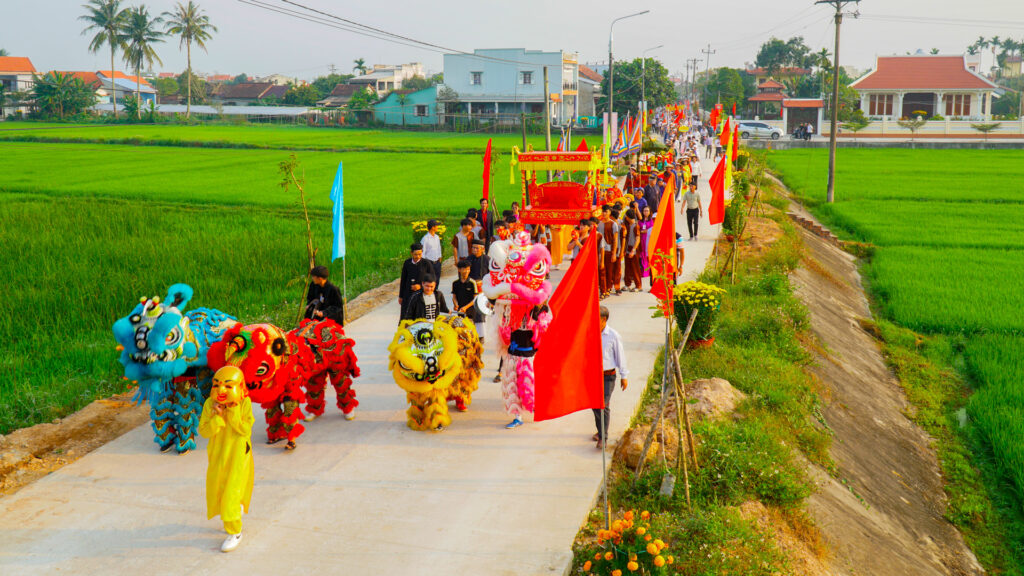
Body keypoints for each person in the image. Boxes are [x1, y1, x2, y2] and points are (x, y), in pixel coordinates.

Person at [198, 366, 255, 553]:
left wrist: (232, 411)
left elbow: (245, 429)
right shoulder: (209, 405)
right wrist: (217, 417)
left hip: (238, 457)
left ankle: (235, 531)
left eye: (228, 386)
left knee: (231, 494)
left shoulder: (245, 404)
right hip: (218, 457)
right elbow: (204, 431)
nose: (221, 391)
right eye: (217, 385)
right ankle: (232, 510)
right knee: (219, 491)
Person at [593, 306, 628, 448]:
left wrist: (624, 376)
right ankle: (600, 430)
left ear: (604, 319)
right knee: (595, 405)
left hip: (608, 376)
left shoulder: (613, 335)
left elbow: (620, 356)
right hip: (594, 376)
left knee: (603, 405)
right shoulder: (590, 333)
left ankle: (603, 437)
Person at [399, 243, 432, 318]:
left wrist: (421, 286)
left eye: (420, 254)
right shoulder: (407, 263)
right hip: (408, 294)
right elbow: (403, 280)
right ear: (411, 253)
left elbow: (432, 279)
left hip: (421, 295)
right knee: (406, 316)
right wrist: (401, 296)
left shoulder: (426, 263)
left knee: (419, 317)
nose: (418, 256)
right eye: (415, 254)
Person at [622, 209, 642, 292]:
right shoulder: (628, 225)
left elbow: (637, 239)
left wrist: (633, 250)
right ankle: (627, 284)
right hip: (627, 248)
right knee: (627, 268)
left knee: (635, 268)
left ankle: (638, 285)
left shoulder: (636, 226)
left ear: (627, 217)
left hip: (634, 249)